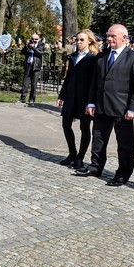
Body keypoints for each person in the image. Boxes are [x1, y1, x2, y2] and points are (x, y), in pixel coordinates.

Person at [76, 24, 134, 186]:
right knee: (98, 138)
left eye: (113, 36)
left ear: (124, 38)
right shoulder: (102, 56)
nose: (109, 39)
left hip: (122, 109)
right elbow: (95, 81)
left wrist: (133, 108)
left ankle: (123, 173)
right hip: (100, 105)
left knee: (124, 144)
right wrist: (91, 101)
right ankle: (95, 166)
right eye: (108, 35)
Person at [57, 30, 99, 170]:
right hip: (70, 96)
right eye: (77, 40)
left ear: (89, 41)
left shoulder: (93, 59)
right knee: (66, 124)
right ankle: (72, 153)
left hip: (85, 98)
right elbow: (68, 78)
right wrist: (62, 96)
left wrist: (91, 101)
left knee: (84, 128)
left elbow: (94, 82)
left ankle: (80, 157)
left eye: (82, 40)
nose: (78, 42)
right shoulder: (73, 56)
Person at [19, 33, 44, 106]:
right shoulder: (29, 44)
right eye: (33, 39)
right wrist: (27, 46)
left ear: (38, 39)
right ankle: (22, 98)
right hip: (28, 65)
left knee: (33, 84)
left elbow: (40, 53)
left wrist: (33, 48)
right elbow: (22, 52)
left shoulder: (41, 45)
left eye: (36, 39)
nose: (34, 40)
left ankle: (31, 99)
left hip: (36, 67)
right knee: (25, 83)